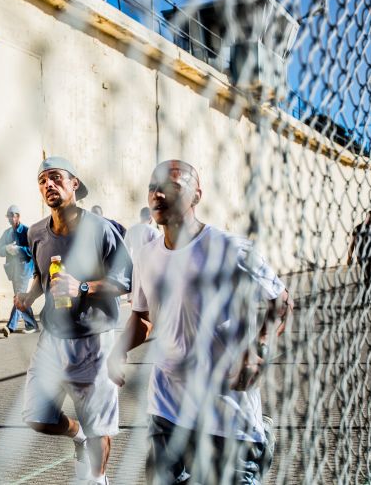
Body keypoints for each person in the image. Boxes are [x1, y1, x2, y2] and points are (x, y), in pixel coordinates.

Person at [109, 160, 293, 485]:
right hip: (167, 404)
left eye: (173, 187)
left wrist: (257, 349)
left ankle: (258, 437)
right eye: (153, 187)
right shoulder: (147, 255)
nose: (159, 193)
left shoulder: (229, 249)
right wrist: (117, 351)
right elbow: (144, 317)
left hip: (226, 408)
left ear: (196, 196)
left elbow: (281, 301)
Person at [14, 157, 132, 485]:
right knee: (36, 416)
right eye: (42, 181)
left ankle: (96, 479)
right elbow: (42, 277)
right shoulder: (36, 232)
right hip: (52, 338)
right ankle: (77, 435)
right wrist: (30, 296)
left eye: (55, 178)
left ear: (74, 184)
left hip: (95, 338)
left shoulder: (102, 229)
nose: (48, 185)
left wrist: (81, 287)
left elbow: (124, 281)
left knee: (100, 427)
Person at [0, 205, 38, 337]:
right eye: (8, 216)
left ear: (17, 216)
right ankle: (31, 323)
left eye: (11, 216)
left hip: (24, 270)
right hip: (13, 271)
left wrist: (19, 250)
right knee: (19, 298)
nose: (9, 219)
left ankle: (10, 327)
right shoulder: (7, 233)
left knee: (19, 297)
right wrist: (6, 248)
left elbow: (33, 250)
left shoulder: (27, 231)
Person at [347, 210, 371, 303]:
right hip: (363, 257)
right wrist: (349, 257)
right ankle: (366, 298)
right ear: (367, 216)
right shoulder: (359, 228)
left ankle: (366, 298)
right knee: (369, 276)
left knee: (370, 277)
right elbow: (352, 243)